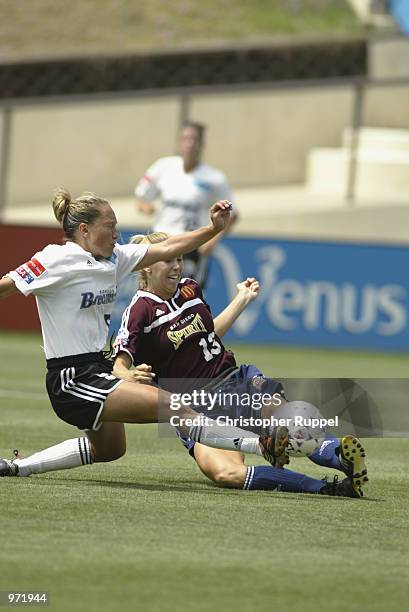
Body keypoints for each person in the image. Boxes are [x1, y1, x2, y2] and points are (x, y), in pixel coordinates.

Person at [0, 189, 287, 479]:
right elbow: (7, 285)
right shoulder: (54, 259)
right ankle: (261, 445)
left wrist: (213, 228)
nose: (117, 232)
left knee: (111, 449)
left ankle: (17, 467)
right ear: (84, 230)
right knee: (172, 405)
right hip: (71, 378)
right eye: (110, 226)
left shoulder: (116, 258)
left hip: (98, 370)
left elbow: (170, 246)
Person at [112, 232, 369, 498]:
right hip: (193, 408)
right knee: (226, 473)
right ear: (146, 265)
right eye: (168, 260)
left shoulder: (190, 288)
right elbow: (119, 365)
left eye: (179, 258)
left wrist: (241, 300)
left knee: (286, 425)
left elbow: (209, 335)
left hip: (236, 382)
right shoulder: (140, 309)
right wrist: (128, 374)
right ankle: (329, 489)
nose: (177, 266)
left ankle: (338, 455)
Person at [135, 121, 237, 287]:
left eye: (194, 139)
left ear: (202, 145)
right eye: (185, 138)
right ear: (179, 142)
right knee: (150, 288)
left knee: (186, 295)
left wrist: (213, 240)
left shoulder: (214, 178)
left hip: (191, 244)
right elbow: (141, 197)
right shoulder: (163, 167)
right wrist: (146, 207)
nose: (189, 144)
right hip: (160, 241)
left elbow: (233, 215)